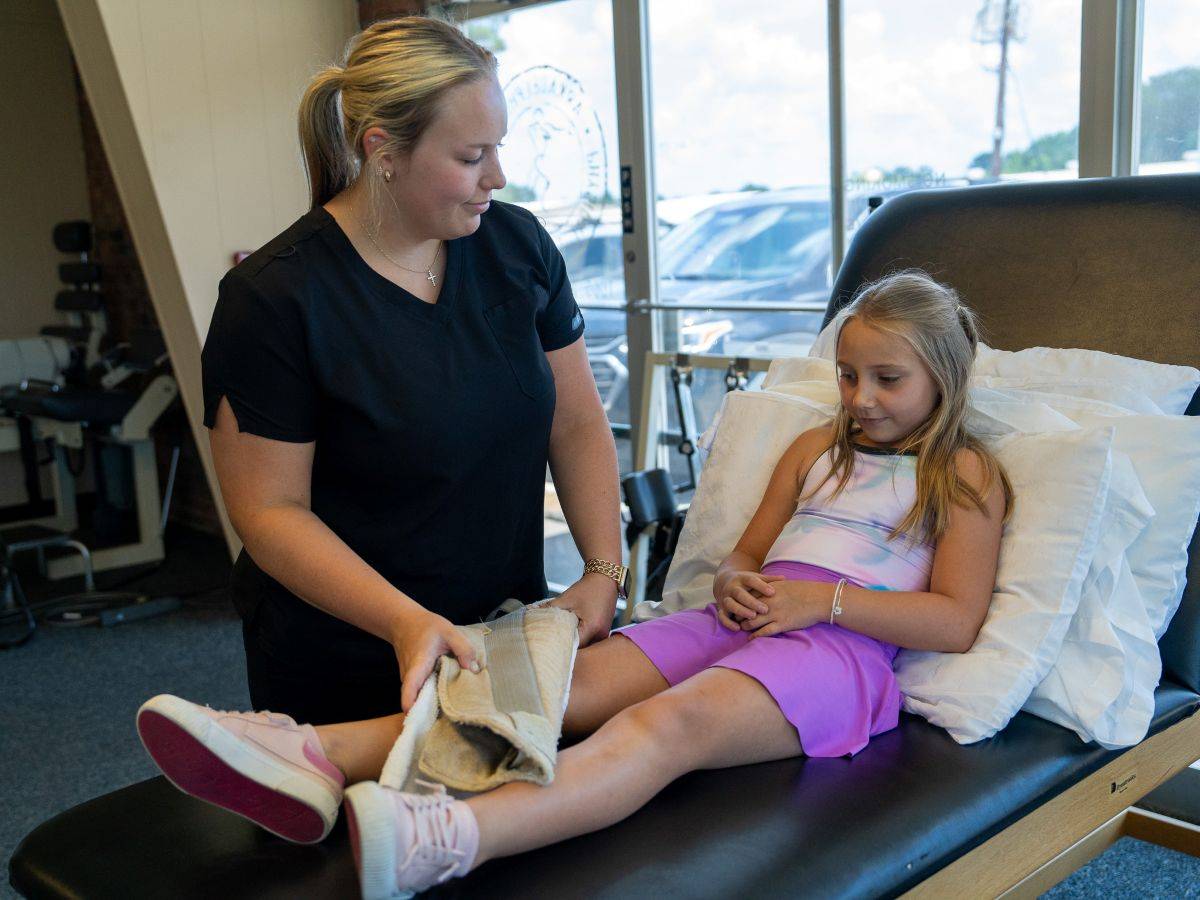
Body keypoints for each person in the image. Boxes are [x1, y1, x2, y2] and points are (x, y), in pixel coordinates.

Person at [138, 270, 1013, 897]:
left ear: (945, 374)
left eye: (888, 379)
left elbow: (955, 621)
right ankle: (310, 753)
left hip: (839, 652)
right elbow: (743, 556)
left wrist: (822, 601)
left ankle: (452, 838)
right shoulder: (815, 449)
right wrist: (738, 583)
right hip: (750, 617)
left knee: (662, 726)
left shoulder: (965, 475)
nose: (859, 397)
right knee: (542, 686)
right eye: (849, 375)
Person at [201, 15, 623, 728]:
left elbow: (576, 421)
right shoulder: (273, 299)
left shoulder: (517, 246)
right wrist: (404, 621)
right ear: (383, 150)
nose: (497, 177)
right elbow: (270, 512)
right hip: (349, 658)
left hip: (503, 633)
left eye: (499, 148)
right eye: (472, 156)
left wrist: (602, 570)